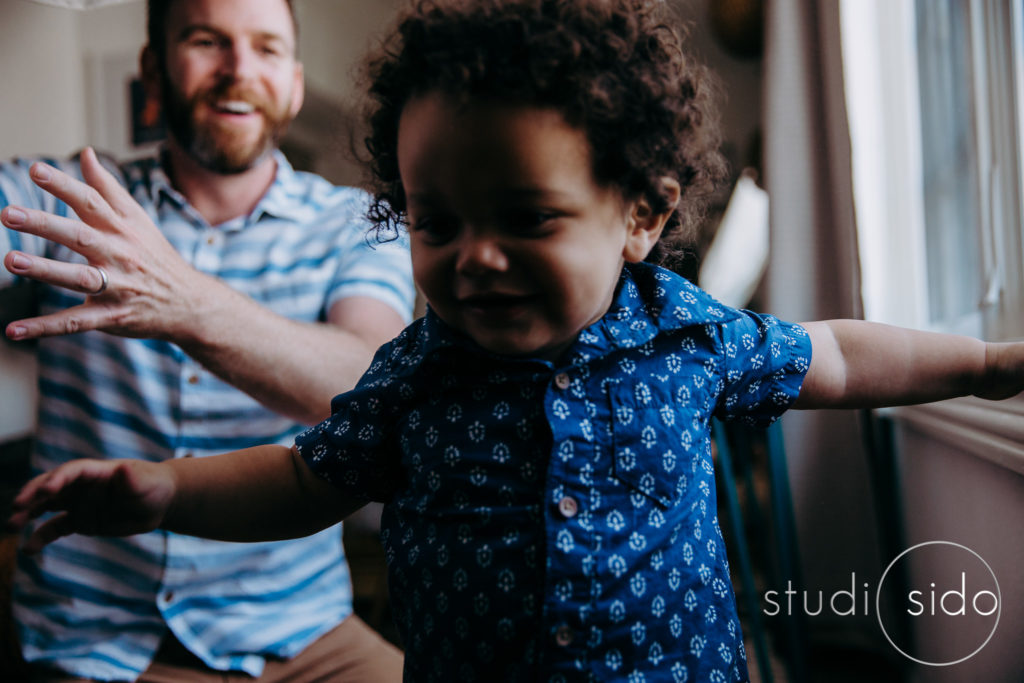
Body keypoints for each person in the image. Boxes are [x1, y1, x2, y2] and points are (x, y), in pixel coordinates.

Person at [8, 0, 1024, 680]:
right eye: (435, 222)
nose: (474, 260)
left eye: (526, 219)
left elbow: (836, 355)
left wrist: (982, 363)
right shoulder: (414, 373)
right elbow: (306, 475)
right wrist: (167, 488)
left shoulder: (685, 332)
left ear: (639, 213)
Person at [0, 0, 412, 681]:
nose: (239, 69)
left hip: (306, 636)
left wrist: (183, 302)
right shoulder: (64, 206)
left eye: (267, 48)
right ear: (152, 72)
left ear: (297, 83)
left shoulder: (357, 222)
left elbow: (372, 384)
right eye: (206, 40)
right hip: (95, 643)